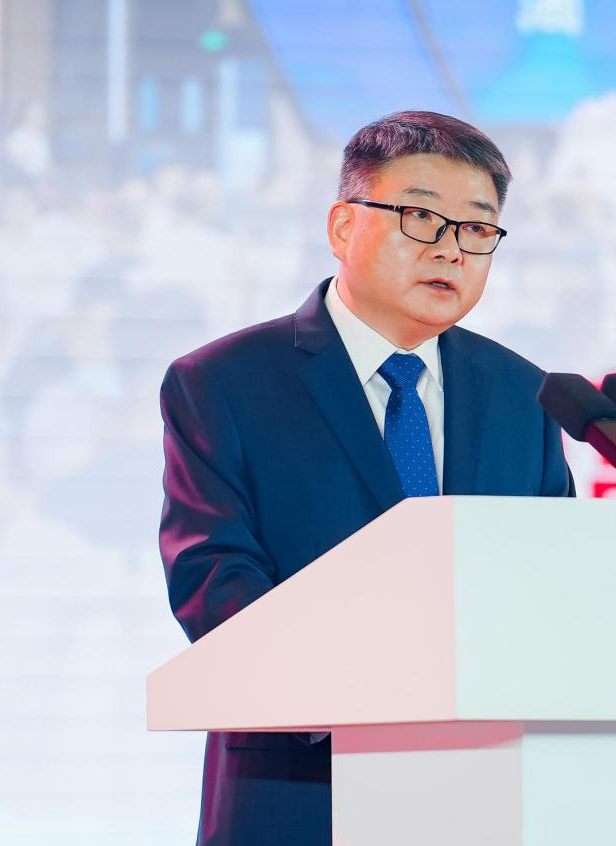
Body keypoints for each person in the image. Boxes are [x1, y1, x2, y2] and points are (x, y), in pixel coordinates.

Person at [158, 111, 574, 845]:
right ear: (343, 225)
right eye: (422, 217)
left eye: (477, 228)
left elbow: (550, 579)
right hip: (295, 788)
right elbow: (212, 574)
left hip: (483, 798)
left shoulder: (523, 394)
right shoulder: (224, 382)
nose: (451, 248)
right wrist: (367, 693)